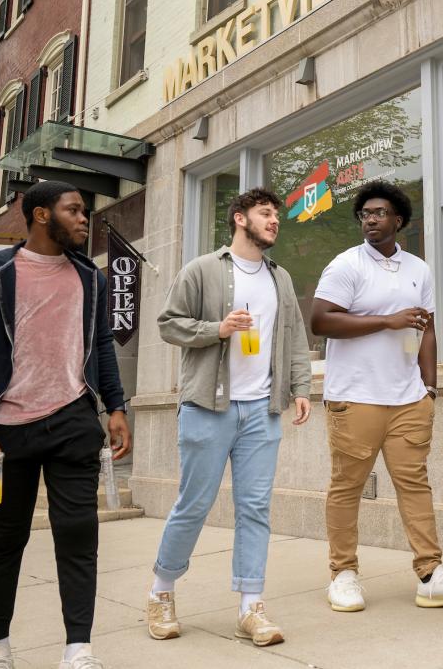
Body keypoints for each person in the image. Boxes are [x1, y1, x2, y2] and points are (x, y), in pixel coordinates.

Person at [0, 181, 132, 669]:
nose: (83, 218)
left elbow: (101, 345)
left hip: (73, 420)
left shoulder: (90, 277)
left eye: (84, 211)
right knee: (4, 540)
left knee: (78, 536)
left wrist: (116, 406)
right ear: (41, 215)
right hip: (4, 432)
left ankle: (78, 649)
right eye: (73, 210)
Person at [149, 188, 312, 646]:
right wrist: (215, 329)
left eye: (276, 215)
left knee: (255, 508)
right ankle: (161, 591)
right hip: (208, 406)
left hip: (262, 409)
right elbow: (168, 323)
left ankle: (250, 606)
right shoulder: (202, 269)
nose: (274, 220)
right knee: (194, 504)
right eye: (265, 213)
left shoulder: (280, 277)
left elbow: (295, 336)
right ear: (240, 218)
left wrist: (301, 388)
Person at [310, 180, 443, 613]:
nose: (370, 219)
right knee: (347, 487)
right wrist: (387, 321)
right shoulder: (346, 265)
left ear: (398, 219)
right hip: (355, 397)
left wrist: (430, 386)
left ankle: (430, 575)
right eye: (365, 213)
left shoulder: (418, 269)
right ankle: (343, 574)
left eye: (380, 212)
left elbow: (427, 329)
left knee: (415, 484)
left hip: (408, 398)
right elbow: (321, 321)